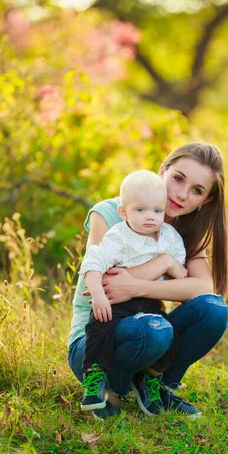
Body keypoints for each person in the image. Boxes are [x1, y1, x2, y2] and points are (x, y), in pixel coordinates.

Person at [68, 142, 228, 420]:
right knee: (155, 330)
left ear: (206, 201)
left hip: (147, 324)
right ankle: (109, 385)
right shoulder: (110, 213)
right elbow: (106, 283)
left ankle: (154, 382)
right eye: (178, 178)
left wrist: (139, 286)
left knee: (213, 310)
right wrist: (165, 264)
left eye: (197, 191)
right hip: (97, 339)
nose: (181, 194)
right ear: (162, 170)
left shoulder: (182, 231)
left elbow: (204, 288)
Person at [79, 170, 187, 414]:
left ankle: (149, 378)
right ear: (123, 212)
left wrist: (176, 268)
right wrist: (97, 295)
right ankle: (94, 378)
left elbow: (180, 270)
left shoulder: (169, 237)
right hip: (117, 303)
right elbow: (93, 263)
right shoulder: (118, 236)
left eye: (157, 211)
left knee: (171, 336)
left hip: (150, 301)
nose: (150, 217)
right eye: (141, 210)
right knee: (100, 323)